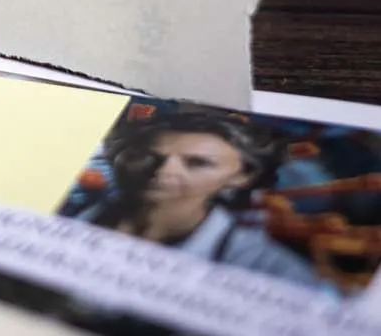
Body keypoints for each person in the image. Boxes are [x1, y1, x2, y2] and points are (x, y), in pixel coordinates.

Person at [72, 108, 330, 289]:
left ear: (243, 176)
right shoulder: (70, 209)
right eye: (148, 156)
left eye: (197, 163)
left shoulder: (274, 272)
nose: (162, 171)